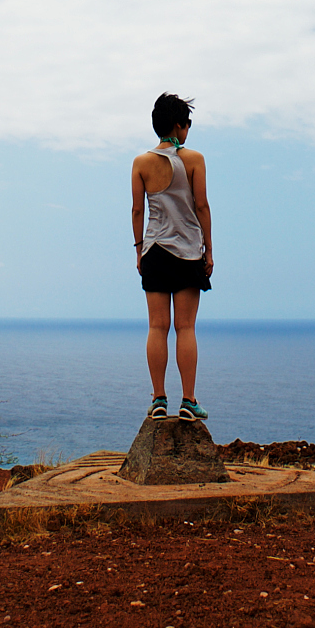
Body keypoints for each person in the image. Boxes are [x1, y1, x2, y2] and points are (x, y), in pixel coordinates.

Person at [131, 91, 213, 422]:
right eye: (187, 123)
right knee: (185, 327)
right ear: (178, 125)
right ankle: (188, 401)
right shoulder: (194, 159)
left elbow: (138, 210)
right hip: (188, 252)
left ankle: (158, 399)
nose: (188, 129)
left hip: (154, 250)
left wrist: (139, 249)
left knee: (157, 326)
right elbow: (201, 206)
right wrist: (209, 249)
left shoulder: (141, 163)